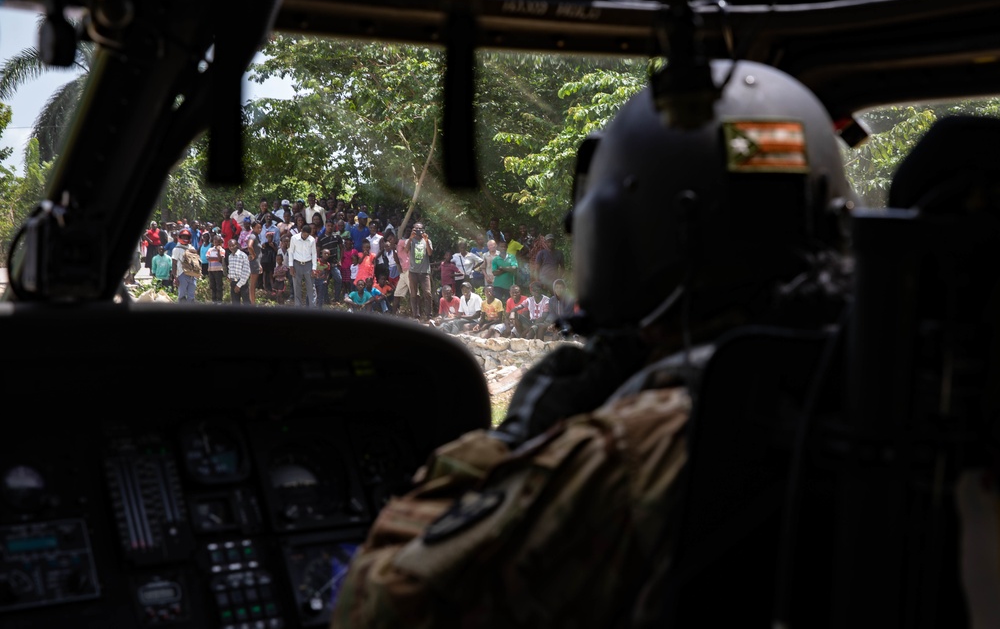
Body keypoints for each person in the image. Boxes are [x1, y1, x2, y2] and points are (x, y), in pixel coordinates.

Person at [331, 59, 857, 628]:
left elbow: (379, 605)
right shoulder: (881, 371)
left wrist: (511, 443)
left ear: (624, 240)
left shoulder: (636, 449)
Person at [403, 222, 433, 321]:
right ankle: (416, 315)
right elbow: (406, 250)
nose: (418, 231)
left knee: (427, 293)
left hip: (424, 272)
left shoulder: (427, 240)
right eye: (416, 229)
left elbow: (429, 253)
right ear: (413, 230)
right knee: (413, 293)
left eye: (420, 229)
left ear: (423, 230)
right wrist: (411, 238)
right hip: (413, 272)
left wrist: (426, 240)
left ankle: (429, 315)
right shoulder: (410, 240)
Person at [288, 222, 318, 307]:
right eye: (304, 234)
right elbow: (291, 252)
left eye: (307, 235)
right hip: (296, 264)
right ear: (301, 231)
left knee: (311, 286)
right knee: (297, 286)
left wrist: (314, 268)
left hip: (308, 265)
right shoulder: (294, 238)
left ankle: (313, 306)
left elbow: (314, 254)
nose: (305, 236)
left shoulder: (312, 240)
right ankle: (298, 306)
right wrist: (291, 266)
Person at [491, 239, 517, 304]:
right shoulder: (495, 259)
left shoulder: (512, 257)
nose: (503, 248)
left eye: (504, 247)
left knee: (509, 303)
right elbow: (494, 273)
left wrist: (502, 268)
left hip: (509, 285)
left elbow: (514, 268)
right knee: (498, 304)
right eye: (501, 247)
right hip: (498, 285)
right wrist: (508, 269)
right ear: (498, 248)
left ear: (507, 247)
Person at [227, 239, 251, 305]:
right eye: (229, 246)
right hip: (233, 283)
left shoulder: (243, 256)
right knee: (235, 305)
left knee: (246, 304)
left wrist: (238, 285)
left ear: (237, 245)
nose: (231, 247)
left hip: (242, 283)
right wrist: (229, 277)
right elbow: (230, 268)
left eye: (233, 245)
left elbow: (246, 272)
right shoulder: (230, 256)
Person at [205, 236, 226, 303]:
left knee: (219, 285)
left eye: (217, 242)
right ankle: (214, 300)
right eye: (214, 241)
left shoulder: (222, 250)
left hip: (219, 270)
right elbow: (208, 258)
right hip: (211, 270)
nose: (216, 243)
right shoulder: (210, 249)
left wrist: (218, 251)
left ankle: (219, 300)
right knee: (212, 285)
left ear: (220, 242)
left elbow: (220, 260)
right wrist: (215, 259)